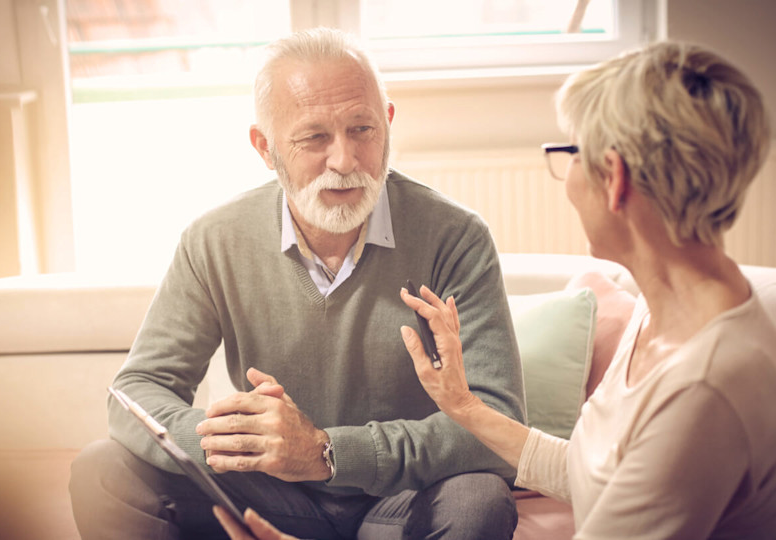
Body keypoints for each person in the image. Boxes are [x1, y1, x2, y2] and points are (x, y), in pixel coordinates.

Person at [68, 27, 526, 540]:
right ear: (265, 148)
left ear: (389, 123)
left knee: (479, 500)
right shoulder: (214, 240)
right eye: (314, 138)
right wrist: (237, 445)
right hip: (270, 497)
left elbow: (499, 424)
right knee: (104, 470)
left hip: (401, 501)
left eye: (363, 130)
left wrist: (328, 452)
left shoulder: (454, 236)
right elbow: (136, 391)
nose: (345, 161)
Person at [398, 41, 776, 539]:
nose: (567, 179)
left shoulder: (706, 386)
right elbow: (600, 476)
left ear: (615, 178)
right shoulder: (665, 309)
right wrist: (464, 406)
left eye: (572, 153)